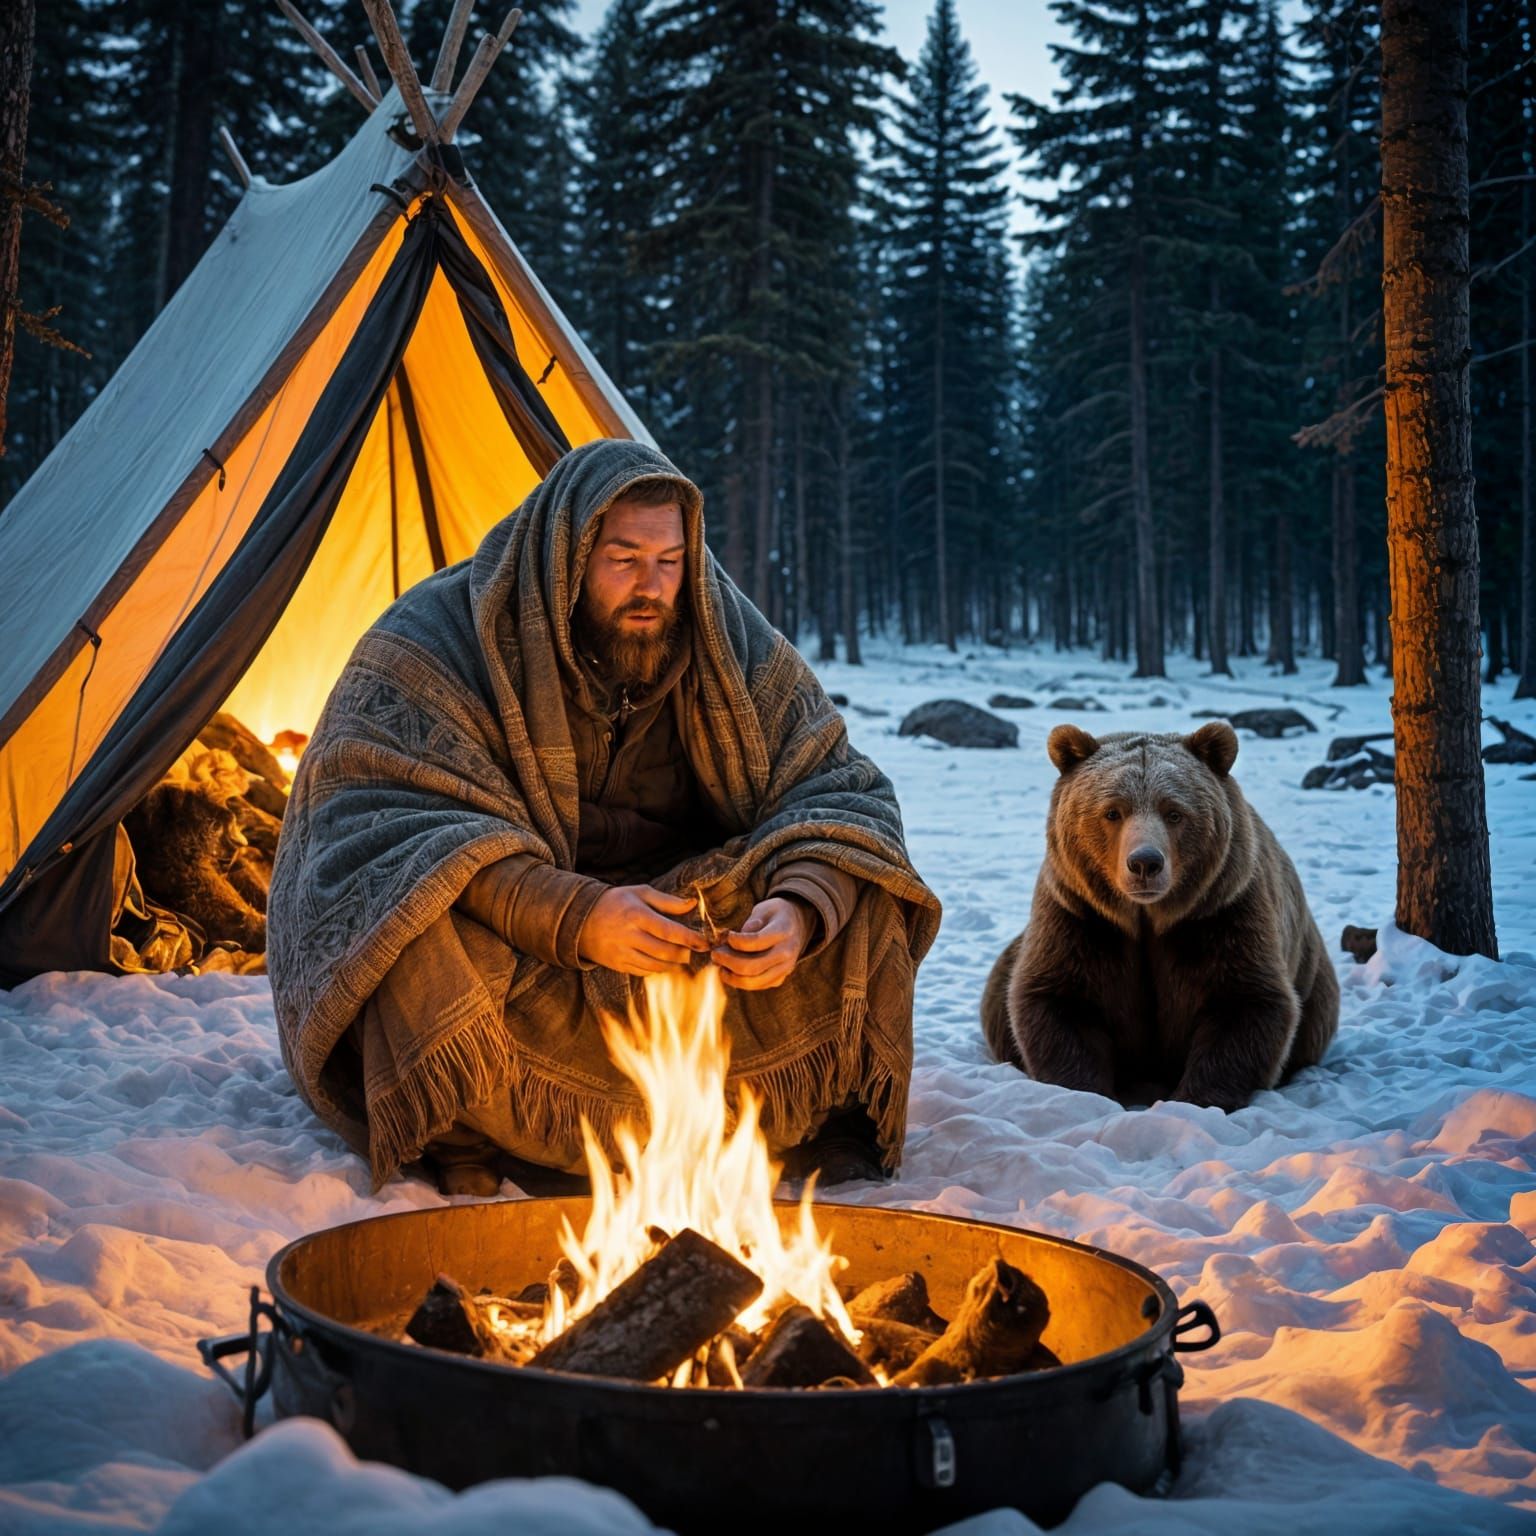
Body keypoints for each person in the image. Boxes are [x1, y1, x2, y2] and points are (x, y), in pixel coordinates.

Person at [268, 439, 940, 1196]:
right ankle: (469, 1135)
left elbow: (838, 787)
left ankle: (827, 1121)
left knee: (859, 869)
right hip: (529, 946)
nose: (651, 587)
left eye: (670, 560)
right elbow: (379, 827)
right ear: (568, 557)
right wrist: (577, 916)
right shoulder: (437, 638)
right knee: (408, 912)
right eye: (624, 560)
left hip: (687, 937)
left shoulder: (724, 634)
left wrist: (797, 911)